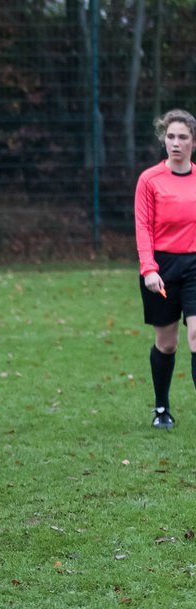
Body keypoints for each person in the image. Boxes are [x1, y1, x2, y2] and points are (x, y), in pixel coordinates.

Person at [135, 108, 196, 429]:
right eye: (170, 136)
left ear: (193, 143)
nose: (175, 143)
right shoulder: (149, 180)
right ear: (163, 139)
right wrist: (149, 269)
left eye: (182, 137)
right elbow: (143, 226)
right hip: (162, 267)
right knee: (167, 344)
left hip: (195, 265)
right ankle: (162, 409)